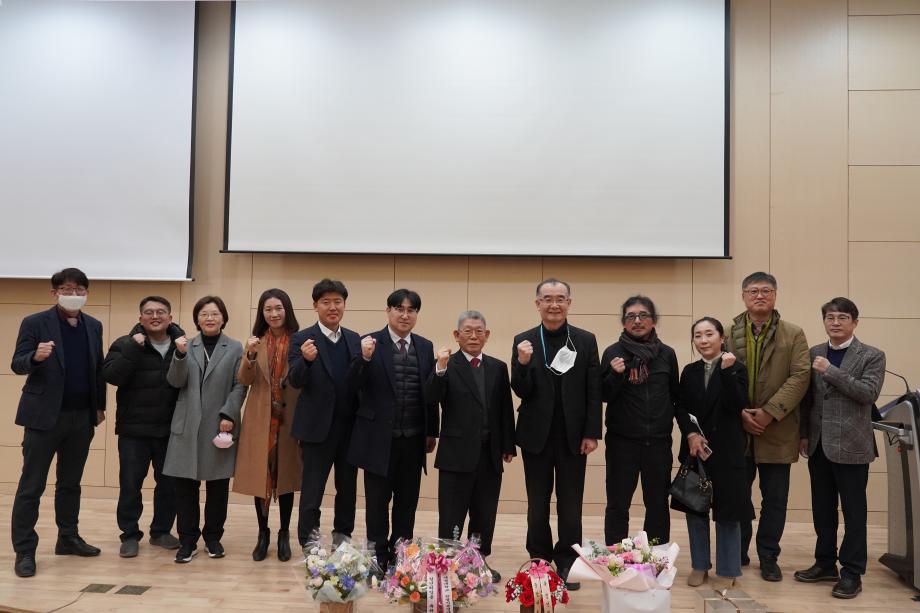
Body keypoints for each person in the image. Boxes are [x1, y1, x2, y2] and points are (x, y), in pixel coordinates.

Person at [10, 268, 106, 578]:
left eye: (79, 290)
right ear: (55, 293)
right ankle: (25, 550)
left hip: (81, 418)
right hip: (43, 418)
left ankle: (68, 537)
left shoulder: (94, 325)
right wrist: (35, 357)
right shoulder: (35, 323)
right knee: (31, 486)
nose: (73, 294)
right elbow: (17, 363)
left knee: (70, 483)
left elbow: (98, 368)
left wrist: (99, 407)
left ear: (86, 293)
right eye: (67, 289)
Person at [511, 279, 601, 590]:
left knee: (570, 504)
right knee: (537, 504)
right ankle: (539, 558)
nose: (554, 304)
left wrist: (592, 432)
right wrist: (523, 364)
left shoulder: (585, 340)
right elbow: (520, 389)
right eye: (547, 299)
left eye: (560, 298)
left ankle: (568, 561)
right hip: (536, 435)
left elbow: (593, 390)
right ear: (537, 304)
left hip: (573, 437)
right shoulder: (523, 341)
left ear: (569, 303)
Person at [794, 298, 885, 599]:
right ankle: (824, 563)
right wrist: (804, 434)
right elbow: (807, 398)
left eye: (842, 317)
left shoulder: (872, 355)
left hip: (852, 445)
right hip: (819, 443)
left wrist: (831, 371)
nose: (835, 322)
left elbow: (868, 393)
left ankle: (852, 572)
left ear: (855, 322)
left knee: (854, 512)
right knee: (822, 509)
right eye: (830, 317)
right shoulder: (814, 352)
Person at [724, 272, 809, 581]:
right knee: (738, 497)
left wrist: (770, 413)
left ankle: (769, 556)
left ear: (775, 295)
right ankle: (738, 551)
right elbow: (718, 376)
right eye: (753, 291)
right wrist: (740, 414)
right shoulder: (727, 333)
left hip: (778, 430)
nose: (759, 296)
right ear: (744, 296)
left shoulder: (793, 334)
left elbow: (801, 376)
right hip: (738, 431)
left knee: (775, 501)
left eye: (766, 291)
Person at [347, 289, 438, 570]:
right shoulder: (370, 342)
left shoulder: (425, 346)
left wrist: (431, 431)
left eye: (411, 310)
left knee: (407, 503)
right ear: (388, 311)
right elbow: (351, 384)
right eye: (399, 308)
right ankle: (377, 556)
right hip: (377, 439)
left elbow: (430, 393)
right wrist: (364, 358)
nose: (405, 315)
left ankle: (401, 556)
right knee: (377, 503)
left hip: (413, 438)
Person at [428, 310, 515, 582]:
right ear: (457, 335)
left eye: (479, 331)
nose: (474, 336)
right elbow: (431, 397)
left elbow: (505, 408)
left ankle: (478, 562)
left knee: (484, 513)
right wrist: (439, 368)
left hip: (489, 454)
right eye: (467, 331)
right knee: (452, 514)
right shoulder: (446, 365)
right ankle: (448, 566)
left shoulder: (498, 367)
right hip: (456, 454)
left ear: (487, 335)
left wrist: (508, 445)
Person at [164, 296, 247, 563]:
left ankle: (213, 538)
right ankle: (187, 541)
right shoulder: (185, 345)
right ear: (197, 319)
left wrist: (229, 413)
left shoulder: (234, 347)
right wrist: (179, 355)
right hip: (187, 426)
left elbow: (240, 384)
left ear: (223, 318)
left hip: (219, 424)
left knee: (218, 487)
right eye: (203, 314)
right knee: (184, 488)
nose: (209, 318)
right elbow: (175, 381)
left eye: (214, 314)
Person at [103, 295, 184, 558]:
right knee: (130, 485)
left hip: (170, 431)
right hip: (133, 431)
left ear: (170, 317)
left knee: (168, 486)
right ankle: (129, 535)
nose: (155, 316)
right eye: (149, 312)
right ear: (140, 318)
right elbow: (112, 376)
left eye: (161, 311)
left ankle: (160, 532)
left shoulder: (184, 345)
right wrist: (132, 350)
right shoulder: (124, 343)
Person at [673, 317, 751, 591]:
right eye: (698, 335)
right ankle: (699, 565)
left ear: (721, 338)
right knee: (695, 509)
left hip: (727, 450)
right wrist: (691, 434)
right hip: (696, 449)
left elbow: (738, 404)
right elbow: (681, 407)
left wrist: (727, 373)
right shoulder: (690, 371)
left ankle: (729, 569)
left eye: (709, 334)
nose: (703, 340)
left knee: (728, 512)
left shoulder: (736, 367)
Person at [287, 279, 361, 549]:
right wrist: (306, 360)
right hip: (316, 429)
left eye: (337, 302)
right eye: (326, 302)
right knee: (312, 489)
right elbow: (294, 380)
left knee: (347, 489)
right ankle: (309, 539)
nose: (332, 307)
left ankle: (343, 537)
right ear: (315, 305)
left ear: (344, 305)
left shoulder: (354, 339)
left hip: (349, 429)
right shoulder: (302, 339)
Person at [601, 295, 679, 547]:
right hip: (621, 443)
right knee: (617, 504)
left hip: (658, 443)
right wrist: (615, 375)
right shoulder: (612, 353)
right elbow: (603, 395)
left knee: (657, 504)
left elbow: (675, 397)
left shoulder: (667, 354)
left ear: (654, 320)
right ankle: (616, 557)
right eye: (631, 316)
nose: (637, 320)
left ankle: (656, 557)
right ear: (623, 322)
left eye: (643, 315)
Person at [233, 288, 303, 562]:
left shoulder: (300, 340)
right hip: (260, 419)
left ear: (287, 310)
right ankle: (263, 533)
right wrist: (250, 356)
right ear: (262, 314)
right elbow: (244, 380)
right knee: (260, 478)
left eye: (278, 308)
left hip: (289, 418)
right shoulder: (255, 342)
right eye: (268, 309)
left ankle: (284, 533)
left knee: (285, 478)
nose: (274, 314)